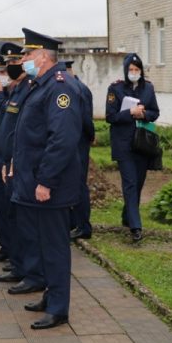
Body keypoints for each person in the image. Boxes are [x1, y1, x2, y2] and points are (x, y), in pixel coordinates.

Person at [11, 28, 83, 330]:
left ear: (42, 57)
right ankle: (50, 295)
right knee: (42, 244)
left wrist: (46, 181)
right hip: (33, 180)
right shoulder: (37, 85)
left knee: (54, 247)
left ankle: (59, 308)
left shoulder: (60, 87)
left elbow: (62, 140)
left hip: (50, 185)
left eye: (27, 54)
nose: (23, 59)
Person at [106, 53, 160, 243]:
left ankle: (127, 216)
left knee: (137, 184)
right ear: (125, 70)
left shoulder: (148, 88)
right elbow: (110, 117)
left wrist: (143, 114)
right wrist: (130, 112)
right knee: (129, 183)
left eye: (137, 70)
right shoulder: (116, 88)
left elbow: (155, 112)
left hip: (142, 145)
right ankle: (136, 227)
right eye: (131, 70)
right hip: (123, 145)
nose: (134, 73)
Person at [0, 43, 28, 283]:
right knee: (0, 206)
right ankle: (9, 250)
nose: (4, 73)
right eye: (2, 69)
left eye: (9, 66)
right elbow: (0, 126)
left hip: (13, 160)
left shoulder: (18, 92)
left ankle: (18, 260)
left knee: (14, 213)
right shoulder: (11, 92)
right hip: (1, 158)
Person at [67, 60, 95, 241]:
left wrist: (90, 137)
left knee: (78, 184)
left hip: (79, 142)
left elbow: (86, 119)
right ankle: (73, 223)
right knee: (71, 183)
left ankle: (83, 226)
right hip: (73, 141)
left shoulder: (78, 88)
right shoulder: (72, 87)